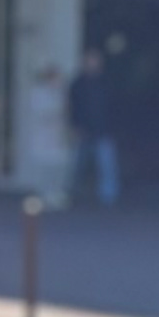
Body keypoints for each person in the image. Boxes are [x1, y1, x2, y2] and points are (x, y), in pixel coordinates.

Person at [67, 50, 121, 205]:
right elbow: (73, 107)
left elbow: (114, 107)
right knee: (78, 165)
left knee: (106, 166)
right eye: (89, 61)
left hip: (103, 130)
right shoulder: (77, 84)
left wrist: (113, 127)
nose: (91, 64)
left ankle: (108, 196)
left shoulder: (107, 83)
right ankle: (74, 194)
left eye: (94, 60)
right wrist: (74, 126)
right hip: (83, 130)